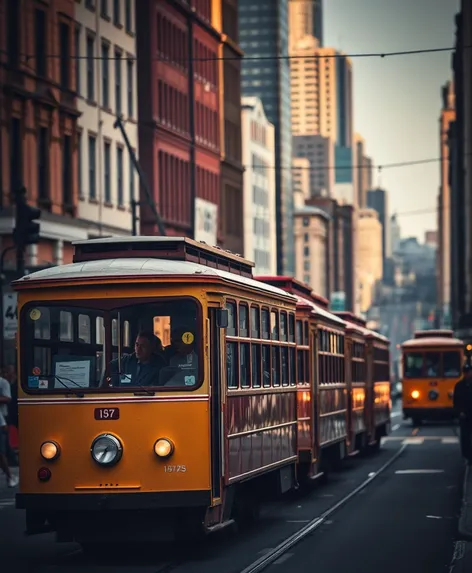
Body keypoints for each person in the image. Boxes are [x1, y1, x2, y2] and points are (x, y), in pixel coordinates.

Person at [0, 370, 18, 487]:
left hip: (3, 419)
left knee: (1, 452)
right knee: (4, 450)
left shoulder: (3, 382)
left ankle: (10, 476)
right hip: (2, 421)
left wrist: (3, 424)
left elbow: (8, 398)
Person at [453, 362, 472, 463]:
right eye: (466, 372)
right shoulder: (459, 385)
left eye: (468, 372)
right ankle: (467, 456)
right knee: (465, 437)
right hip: (464, 415)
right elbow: (456, 401)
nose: (467, 374)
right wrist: (459, 412)